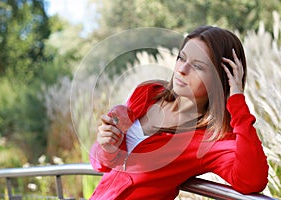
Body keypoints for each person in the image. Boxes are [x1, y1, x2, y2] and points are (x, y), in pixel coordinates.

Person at [89, 26, 269, 200]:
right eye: (181, 58)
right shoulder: (148, 93)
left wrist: (236, 99)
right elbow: (100, 163)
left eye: (198, 66)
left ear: (221, 78)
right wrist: (107, 146)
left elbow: (252, 180)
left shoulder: (210, 140)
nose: (182, 70)